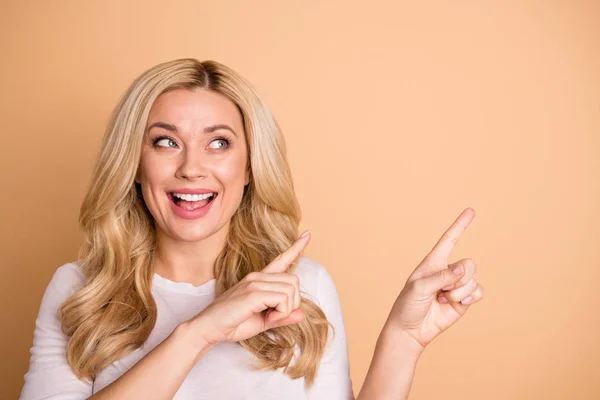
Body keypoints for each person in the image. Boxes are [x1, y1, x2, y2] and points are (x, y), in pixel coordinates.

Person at [20, 58, 483, 400]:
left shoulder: (304, 288)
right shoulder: (80, 291)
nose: (191, 168)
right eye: (166, 142)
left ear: (248, 168)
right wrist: (200, 331)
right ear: (135, 166)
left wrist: (402, 340)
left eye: (218, 143)